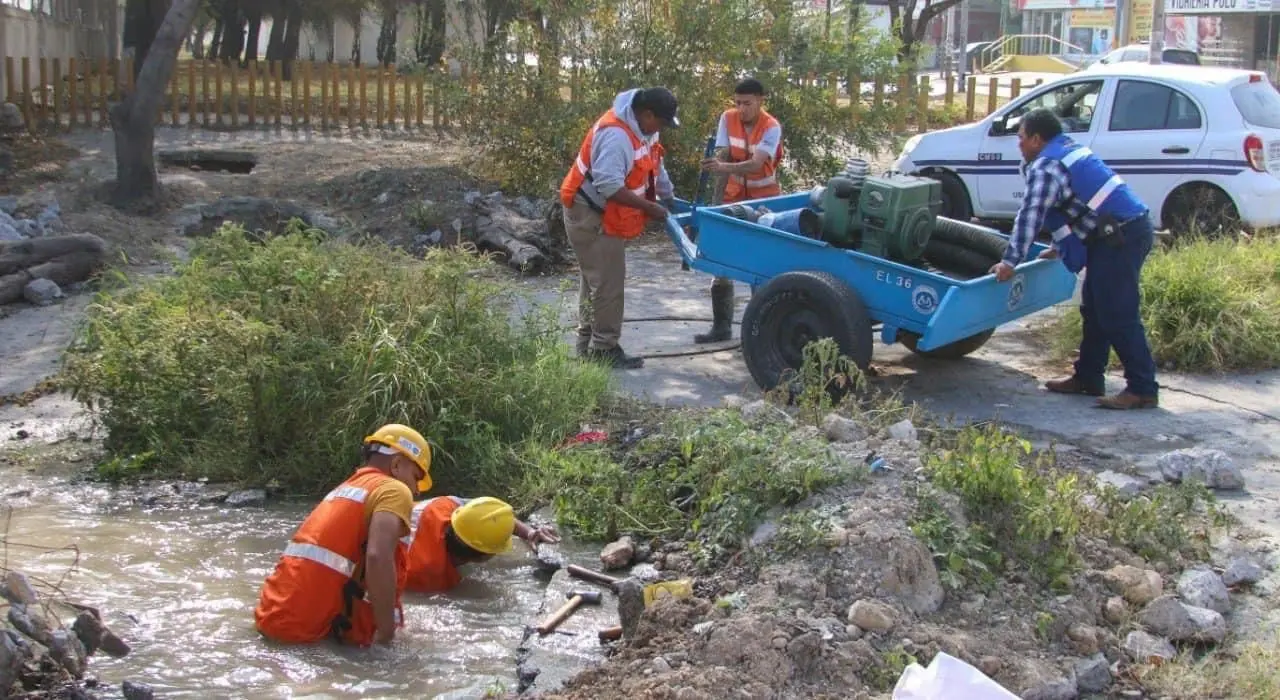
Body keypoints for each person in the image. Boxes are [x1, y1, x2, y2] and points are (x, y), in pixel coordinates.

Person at [990, 108, 1158, 410]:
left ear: (1037, 140)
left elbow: (1031, 215)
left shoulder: (1046, 166)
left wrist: (1010, 262)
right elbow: (1075, 206)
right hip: (1117, 232)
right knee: (1094, 308)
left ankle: (1143, 388)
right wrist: (1060, 246)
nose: (1019, 145)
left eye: (1021, 138)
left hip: (1122, 237)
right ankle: (1089, 377)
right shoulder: (1065, 148)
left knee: (1118, 313)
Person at [254, 424, 434, 647]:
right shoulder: (394, 490)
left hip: (272, 615)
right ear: (397, 465)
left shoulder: (345, 489)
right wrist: (387, 634)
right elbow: (378, 557)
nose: (416, 490)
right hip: (305, 635)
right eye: (416, 477)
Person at [559, 86, 680, 370]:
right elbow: (610, 186)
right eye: (661, 122)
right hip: (589, 214)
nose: (661, 128)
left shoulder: (645, 130)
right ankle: (604, 348)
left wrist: (668, 195)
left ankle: (587, 344)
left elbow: (654, 164)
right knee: (608, 282)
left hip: (600, 212)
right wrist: (650, 208)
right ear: (647, 114)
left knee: (595, 280)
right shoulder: (616, 136)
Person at [693, 78, 785, 344]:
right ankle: (721, 328)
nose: (741, 108)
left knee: (762, 266)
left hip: (764, 203)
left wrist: (723, 168)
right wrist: (715, 205)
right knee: (721, 263)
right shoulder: (727, 118)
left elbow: (756, 165)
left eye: (747, 103)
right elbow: (723, 155)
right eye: (738, 103)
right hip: (733, 200)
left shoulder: (771, 127)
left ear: (760, 101)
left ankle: (763, 332)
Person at [401, 496, 560, 593]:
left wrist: (529, 532)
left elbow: (486, 513)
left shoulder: (445, 506)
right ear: (483, 558)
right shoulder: (429, 574)